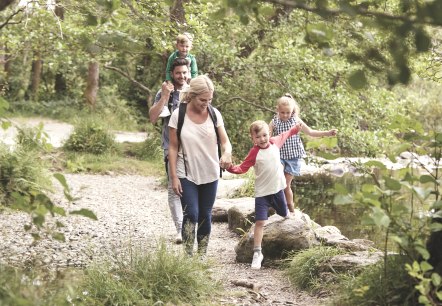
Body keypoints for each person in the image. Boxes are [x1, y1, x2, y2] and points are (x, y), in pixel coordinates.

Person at [168, 75, 232, 257]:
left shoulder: (214, 114)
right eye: (203, 100)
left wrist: (227, 153)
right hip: (185, 172)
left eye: (210, 99)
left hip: (210, 172)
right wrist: (173, 176)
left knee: (205, 214)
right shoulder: (178, 115)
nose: (206, 103)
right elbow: (173, 148)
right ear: (191, 96)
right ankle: (188, 256)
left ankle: (202, 255)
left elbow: (226, 142)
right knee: (192, 214)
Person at [226, 120, 302, 269]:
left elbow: (285, 134)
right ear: (253, 138)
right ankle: (257, 253)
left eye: (265, 135)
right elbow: (242, 168)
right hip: (263, 194)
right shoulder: (254, 152)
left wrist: (295, 129)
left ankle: (287, 212)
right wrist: (229, 168)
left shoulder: (274, 143)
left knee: (283, 214)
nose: (262, 139)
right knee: (260, 222)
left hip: (278, 190)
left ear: (269, 134)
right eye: (258, 137)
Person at [269, 94, 337, 213]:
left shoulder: (296, 121)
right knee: (278, 182)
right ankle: (277, 207)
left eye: (288, 112)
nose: (285, 115)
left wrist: (327, 133)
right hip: (279, 156)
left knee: (286, 184)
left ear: (293, 111)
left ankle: (291, 209)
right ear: (277, 110)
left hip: (293, 158)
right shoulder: (274, 121)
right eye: (282, 112)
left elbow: (310, 132)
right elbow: (267, 137)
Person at [149, 58, 190, 244]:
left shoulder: (194, 91)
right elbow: (152, 118)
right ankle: (180, 229)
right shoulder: (164, 92)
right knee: (174, 189)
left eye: (184, 72)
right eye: (178, 73)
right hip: (170, 147)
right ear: (172, 74)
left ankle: (192, 224)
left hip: (192, 147)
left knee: (191, 187)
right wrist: (165, 96)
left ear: (189, 73)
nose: (181, 76)